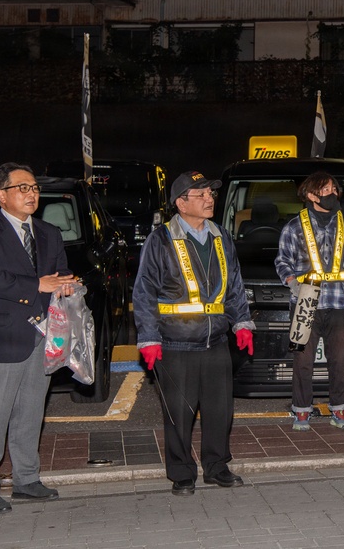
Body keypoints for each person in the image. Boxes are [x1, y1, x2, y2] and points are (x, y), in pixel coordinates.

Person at [134, 170, 255, 496]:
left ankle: (217, 467)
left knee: (220, 411)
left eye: (210, 193)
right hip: (174, 342)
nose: (209, 199)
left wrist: (242, 323)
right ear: (180, 202)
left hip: (215, 340)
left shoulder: (221, 236)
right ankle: (182, 473)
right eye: (200, 194)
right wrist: (148, 338)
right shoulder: (160, 239)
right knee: (179, 415)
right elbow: (144, 291)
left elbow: (234, 286)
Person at [0, 163, 76, 513]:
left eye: (35, 188)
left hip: (44, 334)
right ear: (2, 195)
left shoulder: (49, 232)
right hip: (5, 335)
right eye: (23, 188)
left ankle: (27, 479)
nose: (32, 194)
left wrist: (69, 286)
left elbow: (60, 274)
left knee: (30, 411)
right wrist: (37, 285)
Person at [275, 171, 344, 430]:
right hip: (305, 302)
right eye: (326, 189)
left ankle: (339, 409)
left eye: (334, 189)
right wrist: (291, 281)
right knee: (302, 360)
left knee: (339, 359)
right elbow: (282, 259)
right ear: (310, 194)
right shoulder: (294, 226)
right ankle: (302, 410)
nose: (332, 194)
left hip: (338, 302)